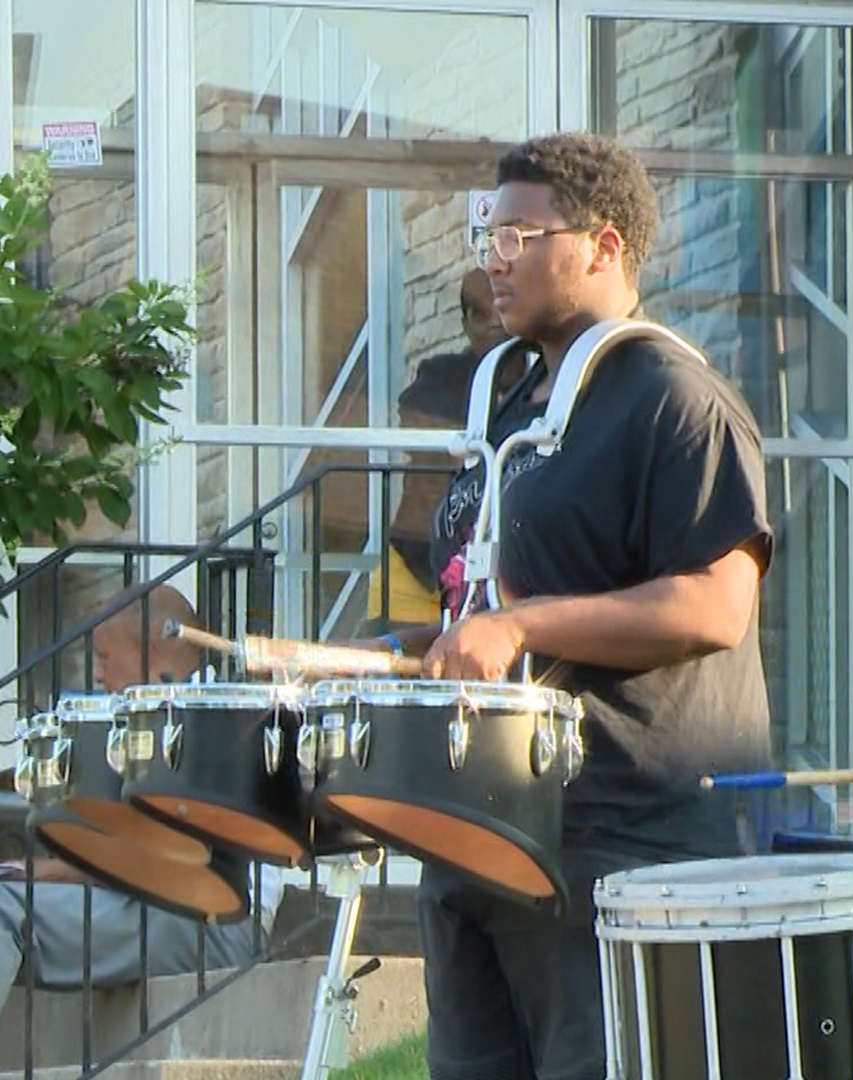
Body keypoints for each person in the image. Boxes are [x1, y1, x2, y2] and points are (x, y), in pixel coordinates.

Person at [365, 132, 775, 1080]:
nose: (492, 258)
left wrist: (519, 626)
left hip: (617, 839)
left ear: (603, 246)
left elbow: (717, 605)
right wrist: (418, 644)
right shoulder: (513, 408)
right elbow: (500, 597)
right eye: (487, 232)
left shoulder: (674, 398)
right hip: (482, 824)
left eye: (519, 234)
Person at [2, 585, 283, 1012]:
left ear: (152, 651)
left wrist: (43, 871)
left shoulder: (214, 714)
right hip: (157, 908)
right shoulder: (155, 719)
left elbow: (166, 863)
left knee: (4, 907)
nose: (97, 675)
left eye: (104, 657)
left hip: (214, 922)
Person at [367, 268, 515, 631]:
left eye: (499, 307)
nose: (494, 323)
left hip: (500, 567)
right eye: (480, 314)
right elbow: (418, 421)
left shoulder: (548, 380)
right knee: (391, 678)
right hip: (415, 561)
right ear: (466, 324)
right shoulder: (440, 374)